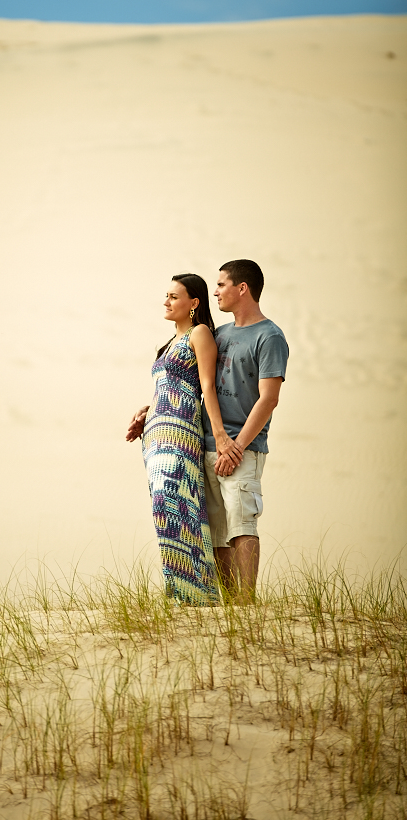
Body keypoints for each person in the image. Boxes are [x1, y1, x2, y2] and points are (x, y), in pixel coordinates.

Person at [126, 274, 243, 605]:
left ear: (194, 303)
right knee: (162, 507)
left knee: (182, 504)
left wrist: (220, 435)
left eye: (173, 296)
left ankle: (200, 596)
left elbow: (206, 387)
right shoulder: (166, 345)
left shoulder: (200, 333)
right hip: (156, 435)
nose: (166, 301)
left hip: (182, 432)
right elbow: (165, 387)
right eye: (166, 296)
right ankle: (179, 595)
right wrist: (145, 412)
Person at [202, 259, 289, 603]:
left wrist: (235, 446)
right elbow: (198, 385)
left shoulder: (270, 336)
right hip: (208, 444)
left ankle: (246, 603)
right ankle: (230, 604)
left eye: (221, 284)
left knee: (242, 524)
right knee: (218, 532)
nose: (215, 291)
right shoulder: (219, 334)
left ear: (242, 288)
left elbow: (268, 399)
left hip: (244, 448)